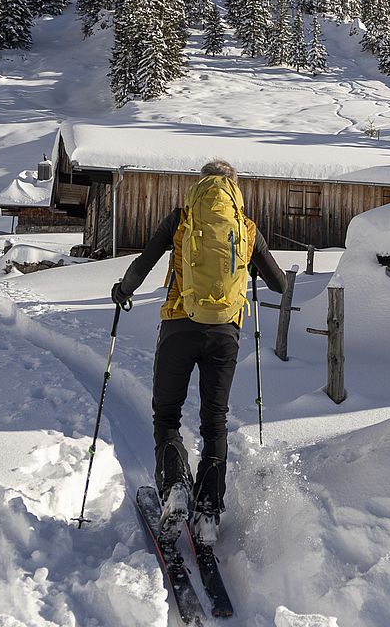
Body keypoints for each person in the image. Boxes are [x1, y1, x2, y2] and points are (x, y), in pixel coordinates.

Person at [110, 159, 286, 546]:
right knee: (214, 421)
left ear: (200, 184)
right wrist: (248, 267)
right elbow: (279, 285)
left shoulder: (181, 219)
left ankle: (175, 488)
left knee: (168, 414)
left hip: (178, 325)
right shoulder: (245, 227)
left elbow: (143, 263)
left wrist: (123, 290)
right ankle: (208, 512)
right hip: (225, 333)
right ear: (234, 187)